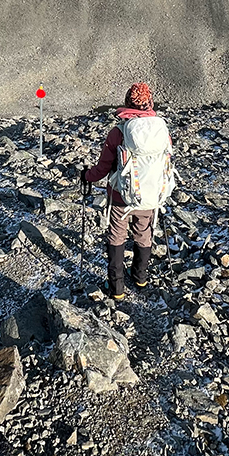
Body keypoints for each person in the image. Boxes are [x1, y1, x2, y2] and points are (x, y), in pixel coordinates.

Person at [80, 82, 174, 300]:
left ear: (127, 102)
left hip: (121, 196)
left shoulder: (118, 132)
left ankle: (117, 288)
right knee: (144, 233)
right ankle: (140, 277)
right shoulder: (162, 131)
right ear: (149, 103)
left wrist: (86, 176)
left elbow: (103, 168)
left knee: (116, 235)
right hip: (150, 195)